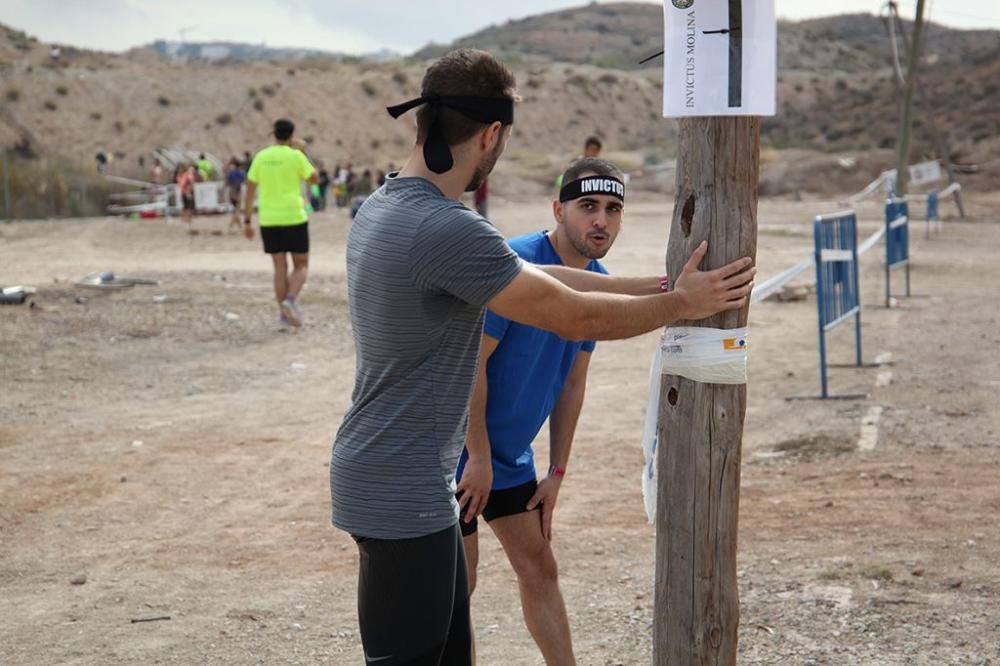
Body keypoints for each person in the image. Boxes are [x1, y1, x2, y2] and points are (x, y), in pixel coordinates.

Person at [329, 48, 755, 666]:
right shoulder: (449, 229)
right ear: (493, 134)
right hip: (401, 491)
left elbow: (553, 279)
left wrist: (665, 288)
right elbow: (573, 314)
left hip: (396, 477)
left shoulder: (384, 207)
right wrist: (681, 307)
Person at [457, 156, 639, 664]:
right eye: (588, 207)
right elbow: (470, 364)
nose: (600, 220)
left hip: (508, 456)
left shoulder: (599, 282)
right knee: (457, 587)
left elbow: (572, 384)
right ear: (559, 210)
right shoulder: (516, 263)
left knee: (539, 567)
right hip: (458, 453)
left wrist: (556, 471)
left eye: (612, 208)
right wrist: (476, 456)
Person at [242, 118, 319, 328]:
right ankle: (290, 300)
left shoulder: (261, 157)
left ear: (273, 134)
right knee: (301, 265)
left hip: (269, 219)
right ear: (292, 135)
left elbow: (249, 191)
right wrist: (303, 152)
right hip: (294, 216)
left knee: (279, 267)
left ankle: (283, 317)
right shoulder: (296, 156)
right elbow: (314, 180)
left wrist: (247, 220)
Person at [224, 158, 246, 231]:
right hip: (237, 192)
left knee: (236, 210)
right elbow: (244, 181)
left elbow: (226, 183)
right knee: (237, 210)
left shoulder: (230, 173)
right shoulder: (240, 173)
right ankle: (230, 225)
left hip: (231, 192)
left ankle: (239, 226)